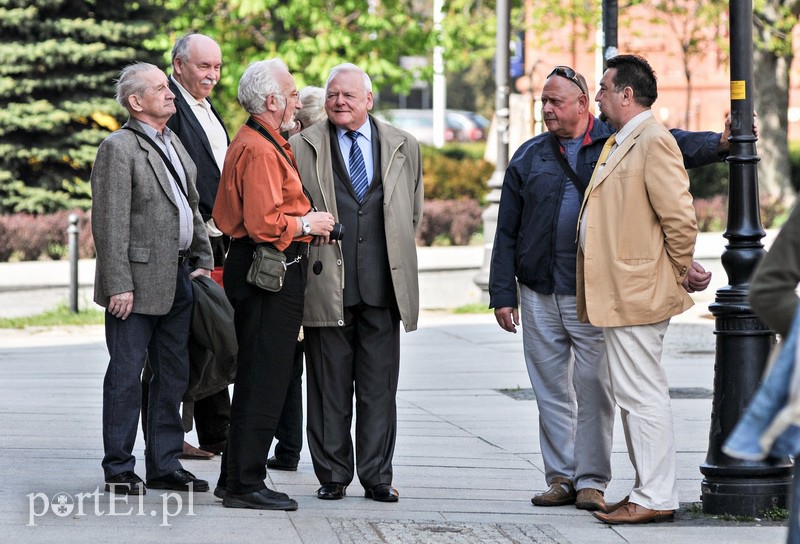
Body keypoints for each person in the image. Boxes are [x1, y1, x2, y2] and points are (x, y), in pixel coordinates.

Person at [489, 65, 718, 512]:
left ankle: (595, 482)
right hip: (539, 288)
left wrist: (724, 145)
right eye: (543, 102)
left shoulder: (621, 141)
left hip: (597, 291)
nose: (548, 109)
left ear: (583, 104)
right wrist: (502, 292)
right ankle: (562, 477)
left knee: (601, 388)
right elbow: (506, 230)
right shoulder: (531, 154)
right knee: (552, 390)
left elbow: (675, 158)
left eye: (557, 101)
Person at [289, 64, 424, 503]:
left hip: (383, 286)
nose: (339, 102)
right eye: (332, 95)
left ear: (369, 99)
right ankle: (332, 474)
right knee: (327, 386)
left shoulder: (404, 145)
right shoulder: (301, 146)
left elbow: (412, 213)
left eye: (348, 95)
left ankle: (377, 476)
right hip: (327, 283)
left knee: (379, 389)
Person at [576, 54, 701, 524]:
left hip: (637, 291)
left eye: (604, 89)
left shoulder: (653, 140)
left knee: (642, 396)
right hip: (622, 291)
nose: (599, 97)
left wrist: (678, 268)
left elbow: (679, 217)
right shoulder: (623, 140)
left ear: (626, 94)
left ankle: (655, 496)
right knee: (634, 395)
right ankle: (648, 490)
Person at [211, 59, 335, 510]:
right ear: (271, 101)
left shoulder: (254, 139)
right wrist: (308, 223)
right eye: (293, 93)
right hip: (267, 270)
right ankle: (245, 483)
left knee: (258, 377)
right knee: (266, 379)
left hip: (258, 267)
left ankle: (235, 477)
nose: (298, 101)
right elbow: (265, 224)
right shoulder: (261, 148)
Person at [91, 62, 213, 495]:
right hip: (135, 285)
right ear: (135, 101)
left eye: (169, 86)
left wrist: (201, 253)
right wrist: (117, 283)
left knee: (172, 375)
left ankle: (164, 464)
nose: (171, 93)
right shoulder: (118, 147)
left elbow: (190, 205)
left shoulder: (173, 140)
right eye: (160, 88)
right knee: (126, 375)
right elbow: (108, 222)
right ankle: (119, 467)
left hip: (179, 276)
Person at [140, 33, 231, 461]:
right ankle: (171, 436)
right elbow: (180, 183)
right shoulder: (169, 107)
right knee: (177, 345)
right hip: (188, 243)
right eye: (203, 67)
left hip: (216, 239)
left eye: (216, 67)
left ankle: (215, 430)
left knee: (206, 334)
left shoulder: (209, 109)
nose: (212, 75)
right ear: (179, 66)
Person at [267, 85, 328, 473]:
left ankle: (289, 447)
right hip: (323, 271)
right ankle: (299, 447)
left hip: (297, 265)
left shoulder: (294, 151)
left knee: (288, 366)